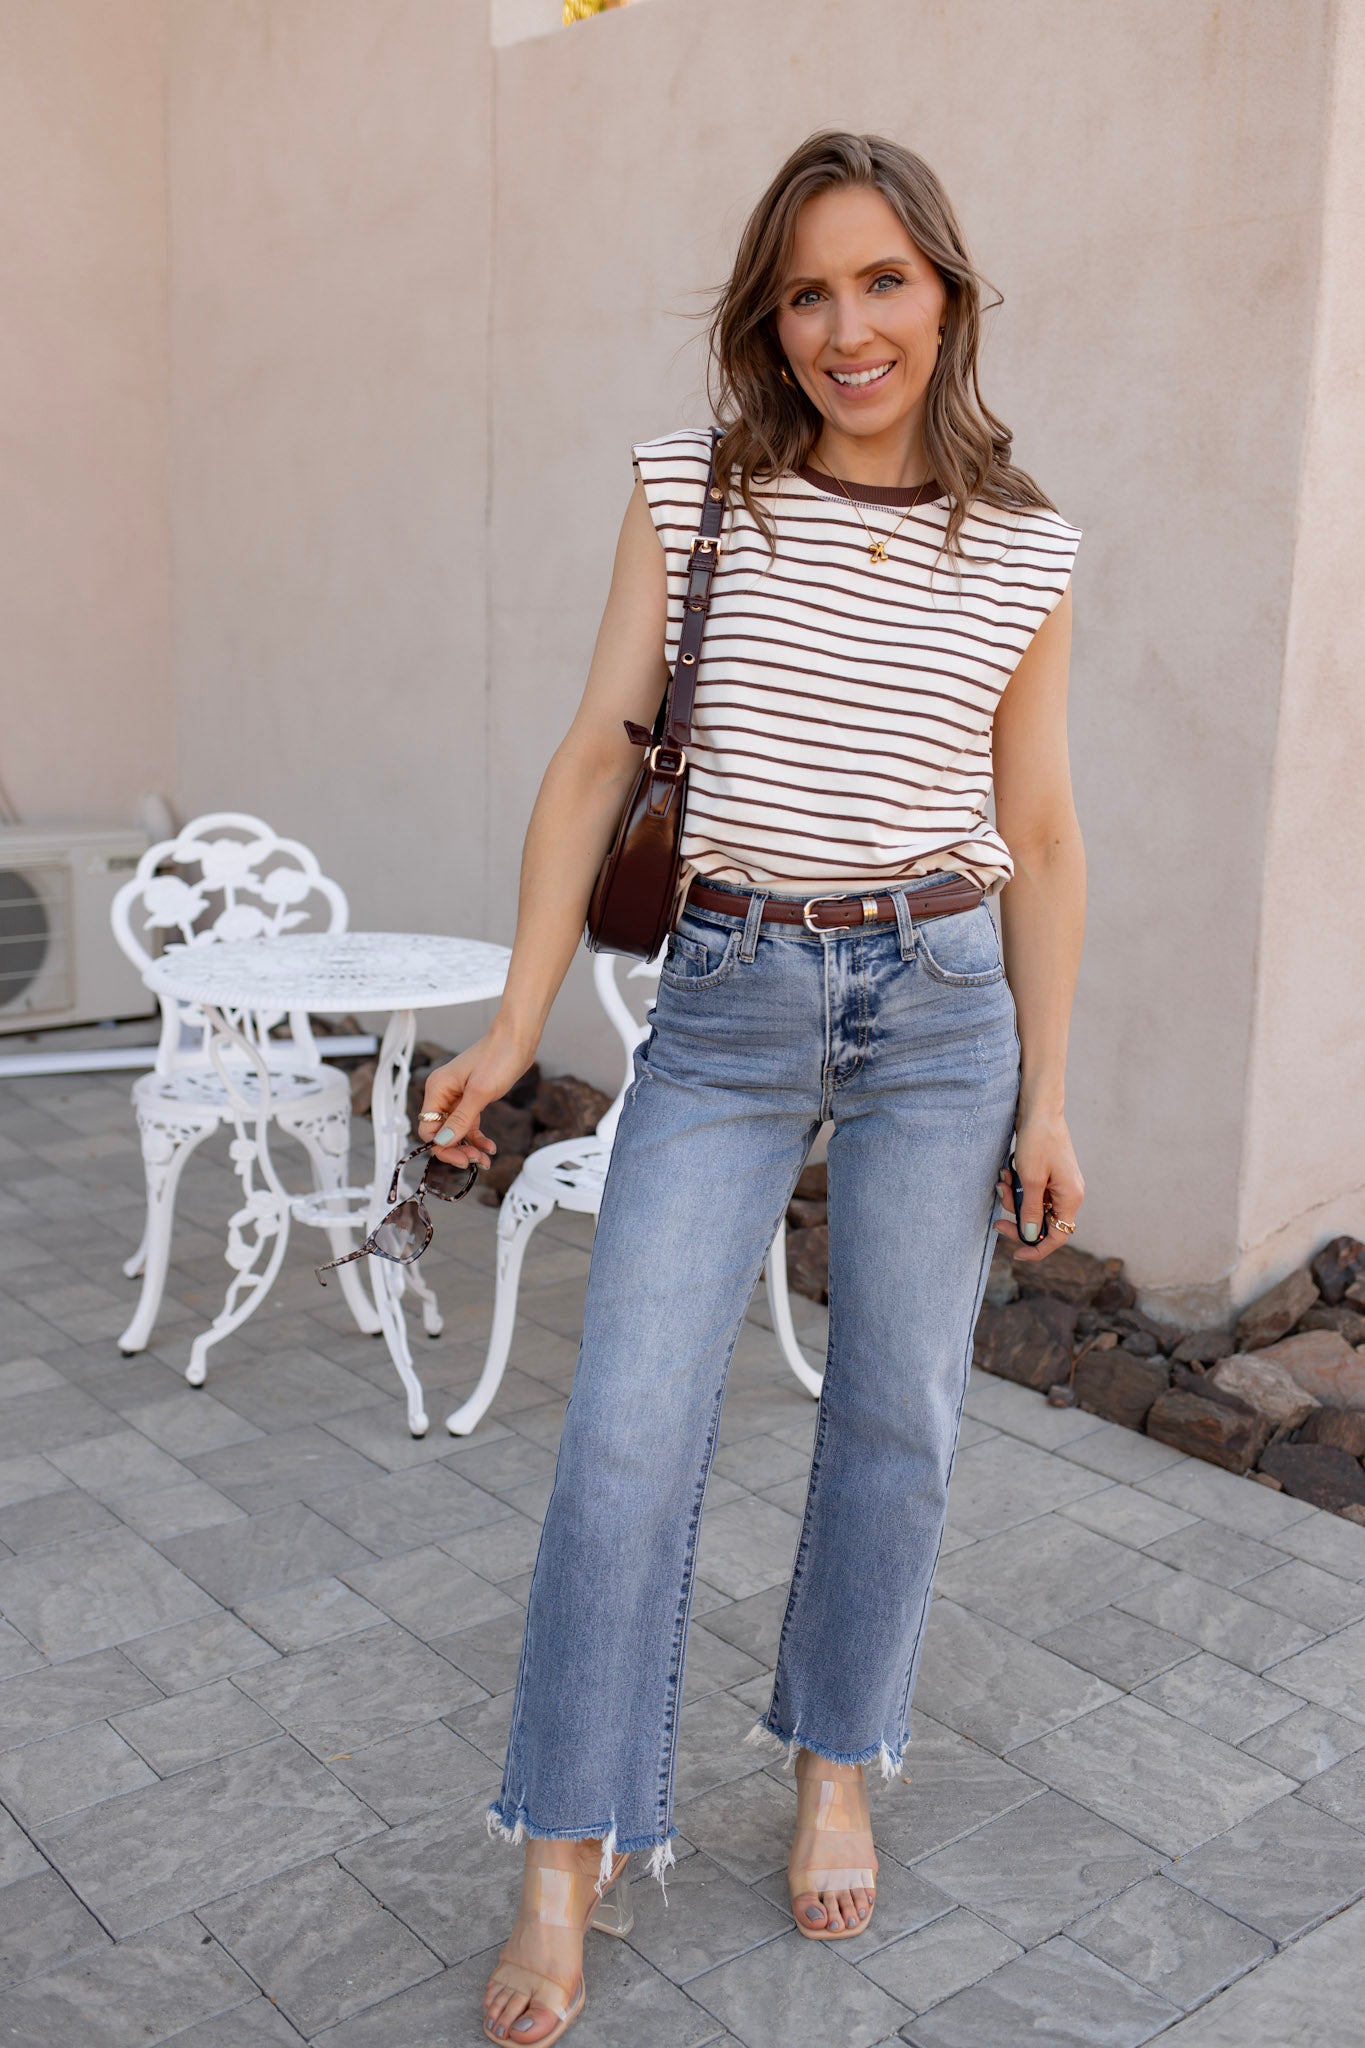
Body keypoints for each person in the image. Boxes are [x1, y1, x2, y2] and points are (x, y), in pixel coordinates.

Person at [421, 129, 1087, 2047]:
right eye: (806, 291)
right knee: (626, 1430)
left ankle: (834, 1762)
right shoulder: (693, 490)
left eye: (881, 282)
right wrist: (512, 1021)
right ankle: (565, 1844)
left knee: (898, 1417)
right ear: (766, 316)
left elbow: (1042, 828)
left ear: (944, 294)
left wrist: (1049, 1095)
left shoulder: (1025, 544)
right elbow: (593, 757)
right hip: (724, 999)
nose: (845, 327)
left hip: (942, 1003)